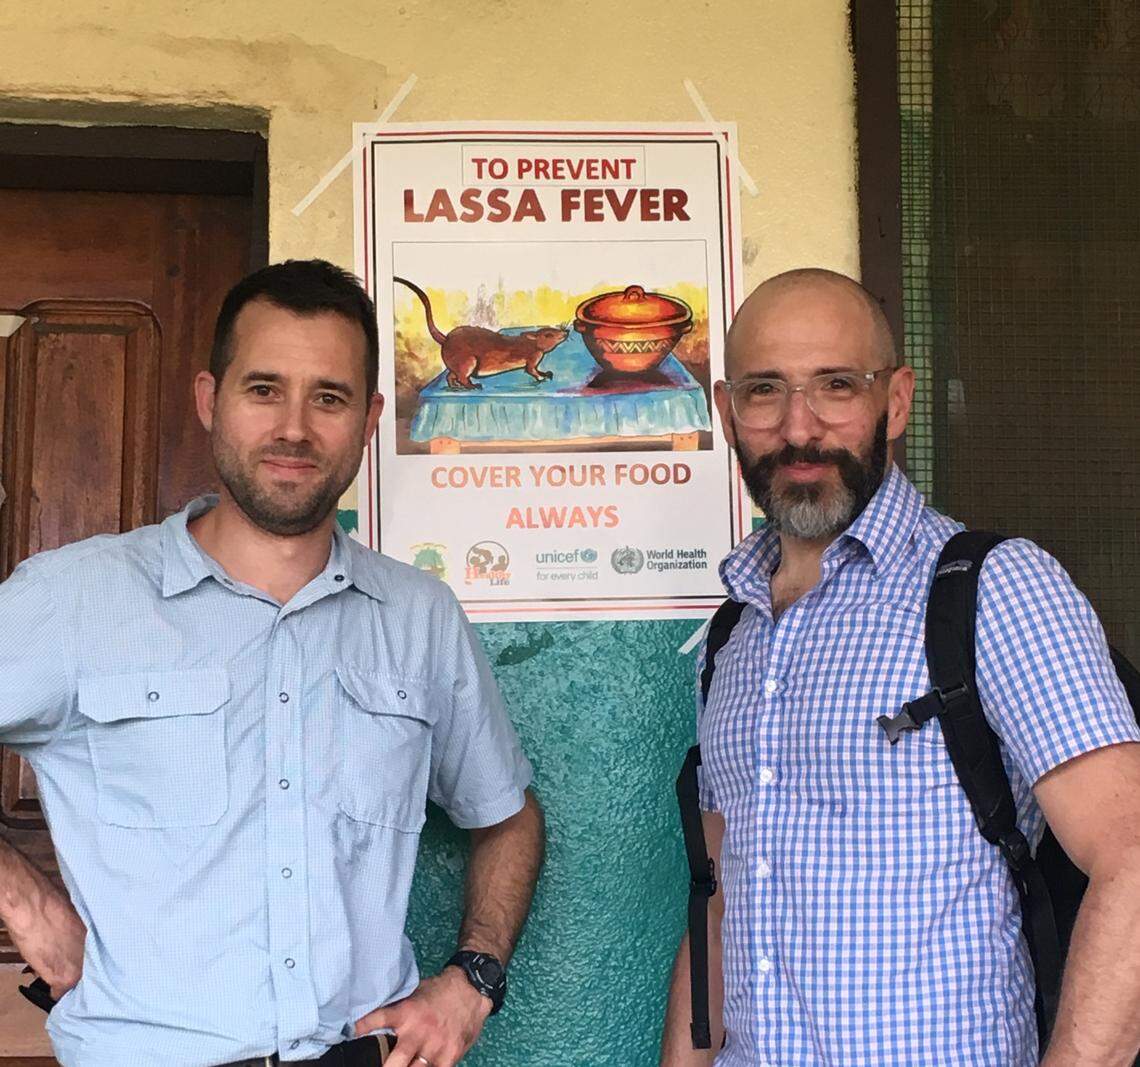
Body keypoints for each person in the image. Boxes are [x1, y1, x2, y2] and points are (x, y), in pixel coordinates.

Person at [0, 259, 545, 1067]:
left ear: (369, 420)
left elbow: (508, 816)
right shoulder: (76, 597)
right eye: (263, 389)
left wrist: (473, 979)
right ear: (208, 400)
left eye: (329, 396)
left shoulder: (419, 618)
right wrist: (23, 894)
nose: (294, 427)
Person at [660, 268, 1140, 1066]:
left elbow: (1131, 854)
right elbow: (719, 895)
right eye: (764, 391)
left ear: (898, 401)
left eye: (836, 386)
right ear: (726, 411)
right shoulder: (735, 635)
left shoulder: (993, 587)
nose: (798, 427)